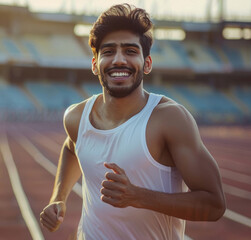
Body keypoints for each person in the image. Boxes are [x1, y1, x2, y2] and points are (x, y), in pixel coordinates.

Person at [39, 3, 226, 240]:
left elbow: (214, 204)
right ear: (95, 64)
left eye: (130, 51)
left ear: (147, 63)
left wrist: (138, 196)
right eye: (108, 52)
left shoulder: (170, 119)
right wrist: (59, 197)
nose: (119, 60)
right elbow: (72, 147)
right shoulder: (77, 117)